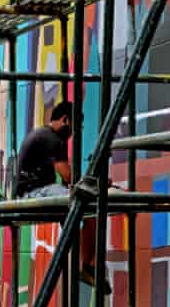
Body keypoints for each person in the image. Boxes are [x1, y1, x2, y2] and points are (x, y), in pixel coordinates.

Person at [15, 101, 110, 293]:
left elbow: (68, 182)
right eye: (75, 126)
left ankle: (86, 265)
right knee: (88, 210)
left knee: (79, 212)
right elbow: (68, 176)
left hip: (34, 191)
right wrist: (96, 184)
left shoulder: (44, 135)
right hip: (34, 193)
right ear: (65, 120)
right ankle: (86, 266)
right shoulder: (52, 139)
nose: (74, 132)